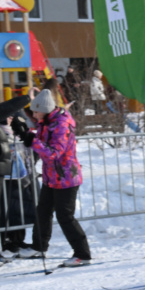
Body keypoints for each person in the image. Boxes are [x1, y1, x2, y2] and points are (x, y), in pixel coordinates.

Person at [15, 89, 91, 266]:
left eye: (36, 112)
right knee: (43, 211)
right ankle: (39, 246)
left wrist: (30, 139)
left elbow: (53, 153)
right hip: (51, 177)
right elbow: (41, 139)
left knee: (65, 216)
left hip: (66, 177)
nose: (34, 115)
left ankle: (82, 254)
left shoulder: (61, 124)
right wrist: (25, 132)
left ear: (45, 109)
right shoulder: (46, 121)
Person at [1, 96, 36, 259]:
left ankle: (18, 240)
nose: (10, 118)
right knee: (6, 210)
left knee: (19, 210)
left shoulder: (14, 130)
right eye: (8, 116)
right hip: (6, 177)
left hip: (20, 176)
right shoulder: (2, 131)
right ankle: (8, 242)